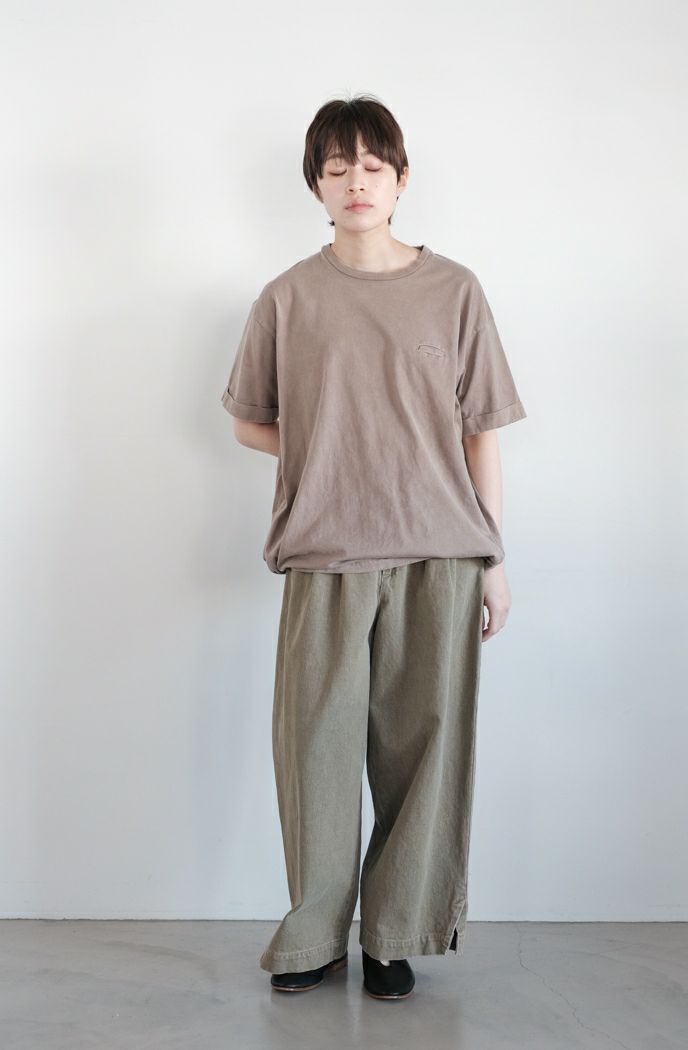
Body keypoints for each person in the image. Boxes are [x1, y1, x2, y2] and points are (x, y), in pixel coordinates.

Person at [221, 94, 527, 1000]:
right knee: (314, 750)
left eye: (373, 166)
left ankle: (395, 933)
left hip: (441, 551)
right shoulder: (288, 297)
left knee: (422, 748)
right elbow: (249, 422)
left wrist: (495, 560)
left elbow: (480, 433)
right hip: (325, 551)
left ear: (400, 180)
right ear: (316, 184)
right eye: (338, 167)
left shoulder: (454, 290)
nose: (357, 182)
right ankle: (314, 936)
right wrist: (330, 451)